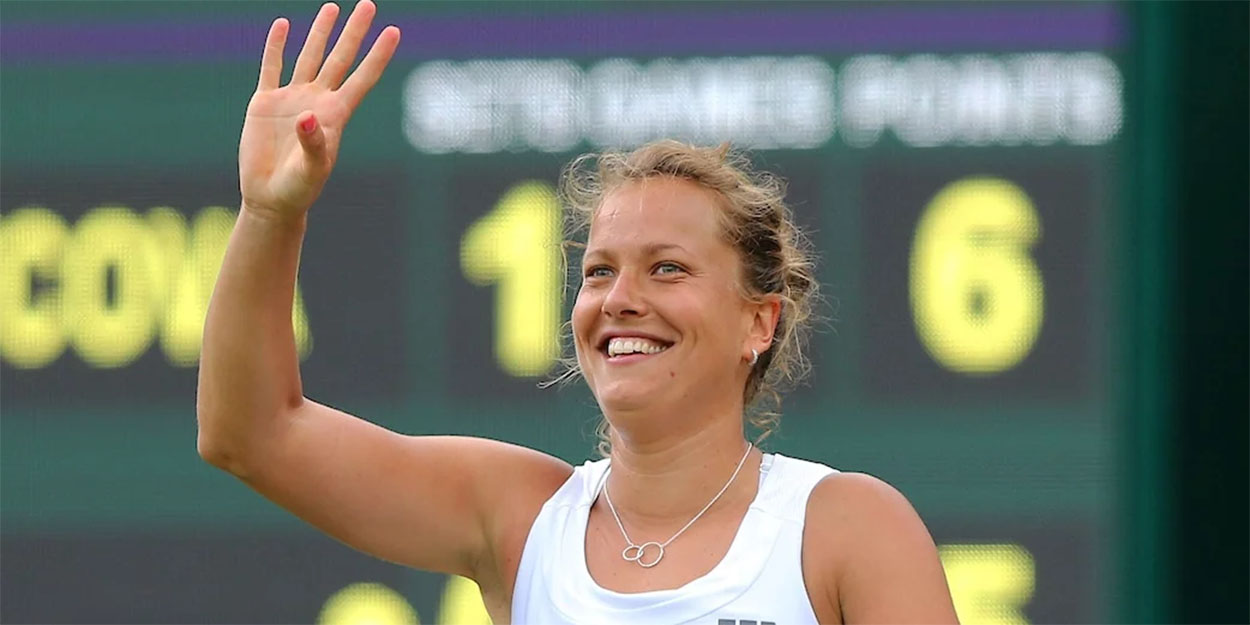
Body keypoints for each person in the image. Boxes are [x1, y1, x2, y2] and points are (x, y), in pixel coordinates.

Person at [197, 1, 960, 623]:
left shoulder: (847, 525)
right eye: (598, 271)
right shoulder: (521, 518)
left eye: (667, 268)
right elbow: (252, 434)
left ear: (758, 323)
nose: (620, 299)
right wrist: (270, 214)